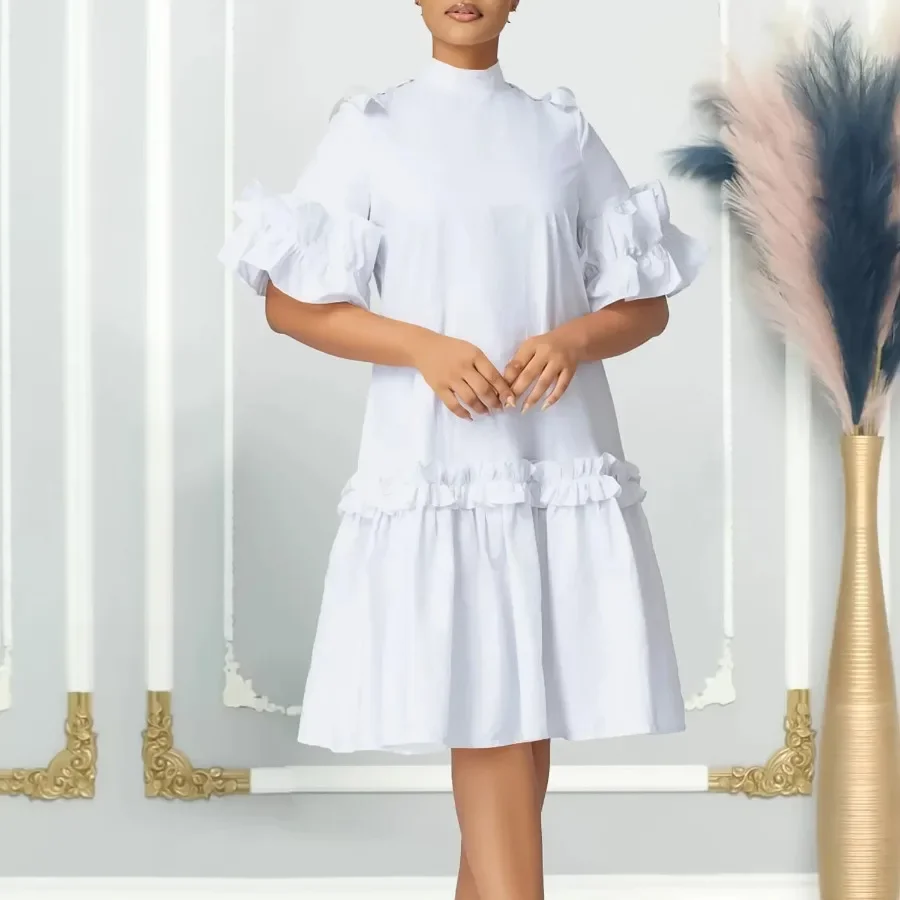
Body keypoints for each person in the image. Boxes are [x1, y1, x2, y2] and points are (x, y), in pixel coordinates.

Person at [220, 1, 705, 897]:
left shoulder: (561, 133)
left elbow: (646, 304)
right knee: (492, 714)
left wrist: (571, 341)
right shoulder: (372, 130)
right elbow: (287, 303)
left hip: (555, 458)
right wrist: (421, 348)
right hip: (437, 465)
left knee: (520, 723)